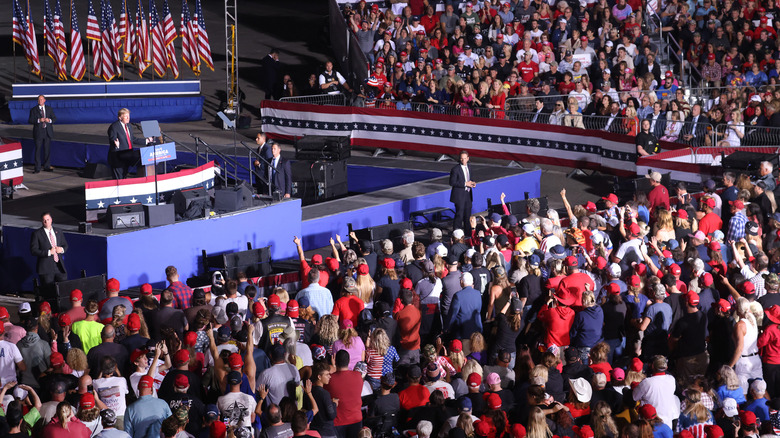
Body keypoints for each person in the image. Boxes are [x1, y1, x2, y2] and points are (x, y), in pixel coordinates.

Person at [106, 108, 152, 180]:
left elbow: (132, 139)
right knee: (119, 180)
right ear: (120, 117)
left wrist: (146, 141)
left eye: (129, 116)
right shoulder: (114, 127)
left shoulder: (129, 126)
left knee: (124, 178)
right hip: (118, 157)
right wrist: (115, 144)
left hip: (127, 156)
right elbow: (113, 139)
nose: (128, 118)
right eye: (126, 116)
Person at [29, 211, 68, 290]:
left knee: (63, 289)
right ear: (42, 221)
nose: (46, 222)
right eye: (44, 220)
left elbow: (65, 245)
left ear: (51, 220)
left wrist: (62, 249)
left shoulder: (58, 231)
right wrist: (49, 252)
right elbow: (33, 250)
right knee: (48, 291)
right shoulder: (37, 234)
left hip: (59, 267)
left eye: (48, 219)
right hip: (46, 269)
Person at [450, 150, 476, 233]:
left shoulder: (469, 167)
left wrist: (472, 183)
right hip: (459, 195)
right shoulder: (455, 169)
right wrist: (465, 183)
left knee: (467, 214)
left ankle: (468, 233)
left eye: (464, 158)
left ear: (468, 158)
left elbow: (470, 179)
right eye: (461, 159)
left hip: (468, 194)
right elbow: (452, 182)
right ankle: (456, 233)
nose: (463, 160)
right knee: (459, 215)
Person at [28, 94, 55, 173]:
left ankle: (46, 166)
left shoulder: (49, 109)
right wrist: (39, 120)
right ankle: (37, 168)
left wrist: (49, 120)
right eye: (39, 100)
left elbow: (54, 118)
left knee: (47, 150)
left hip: (47, 132)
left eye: (42, 99)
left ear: (44, 100)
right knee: (38, 150)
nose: (40, 101)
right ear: (37, 101)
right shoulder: (33, 110)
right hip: (38, 132)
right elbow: (30, 120)